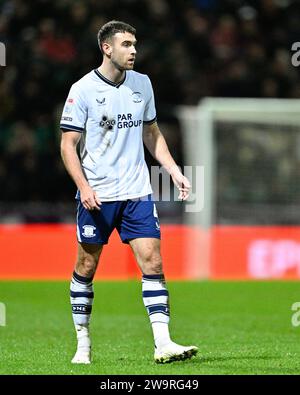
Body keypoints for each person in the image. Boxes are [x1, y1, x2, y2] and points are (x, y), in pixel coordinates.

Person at [60, 20, 198, 365]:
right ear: (107, 48)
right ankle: (83, 343)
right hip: (98, 195)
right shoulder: (83, 89)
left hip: (137, 192)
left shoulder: (142, 84)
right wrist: (84, 187)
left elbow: (151, 132)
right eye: (125, 44)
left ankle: (163, 343)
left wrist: (173, 170)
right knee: (87, 265)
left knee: (152, 260)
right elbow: (68, 145)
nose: (133, 50)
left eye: (134, 44)